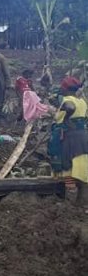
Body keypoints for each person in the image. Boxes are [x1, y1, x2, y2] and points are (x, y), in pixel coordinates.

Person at [48, 76, 88, 207]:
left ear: (65, 89)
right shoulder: (82, 101)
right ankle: (82, 201)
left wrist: (66, 120)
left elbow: (69, 107)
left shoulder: (67, 100)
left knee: (68, 166)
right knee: (81, 166)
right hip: (82, 136)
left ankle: (69, 204)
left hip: (69, 137)